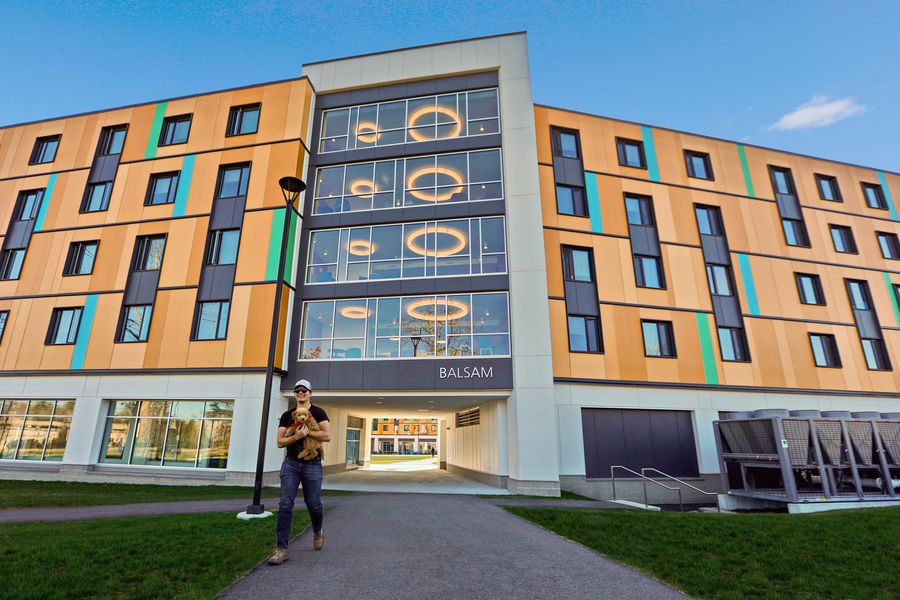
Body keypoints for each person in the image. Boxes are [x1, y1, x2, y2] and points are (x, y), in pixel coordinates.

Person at [268, 379, 331, 565]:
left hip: (312, 464)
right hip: (291, 465)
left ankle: (317, 529)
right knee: (285, 505)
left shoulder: (318, 412)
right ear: (295, 394)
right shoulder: (287, 415)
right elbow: (280, 442)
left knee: (314, 504)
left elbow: (327, 436)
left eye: (304, 390)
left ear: (310, 393)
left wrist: (307, 433)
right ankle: (282, 549)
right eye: (297, 391)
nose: (300, 393)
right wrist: (296, 436)